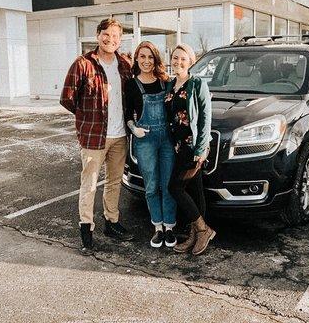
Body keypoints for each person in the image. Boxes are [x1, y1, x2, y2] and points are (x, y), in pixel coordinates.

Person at [60, 18, 134, 250]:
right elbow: (67, 98)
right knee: (89, 183)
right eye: (106, 34)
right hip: (94, 137)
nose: (110, 39)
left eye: (115, 36)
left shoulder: (124, 65)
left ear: (120, 40)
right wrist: (87, 118)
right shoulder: (83, 64)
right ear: (98, 35)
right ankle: (86, 226)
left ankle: (111, 222)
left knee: (114, 182)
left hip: (119, 135)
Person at [124, 41, 177, 248]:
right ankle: (157, 227)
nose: (146, 61)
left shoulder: (166, 82)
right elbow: (128, 114)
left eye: (150, 57)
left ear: (155, 59)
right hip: (144, 139)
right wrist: (133, 128)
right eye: (142, 57)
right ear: (136, 58)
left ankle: (170, 227)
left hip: (166, 140)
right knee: (152, 186)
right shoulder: (131, 84)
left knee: (168, 185)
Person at [165, 43, 214, 255]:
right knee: (195, 190)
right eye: (175, 58)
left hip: (193, 147)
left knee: (174, 188)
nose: (178, 62)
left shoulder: (197, 84)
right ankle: (194, 235)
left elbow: (205, 118)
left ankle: (204, 230)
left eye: (183, 58)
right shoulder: (170, 85)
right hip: (178, 146)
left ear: (191, 61)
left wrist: (201, 149)